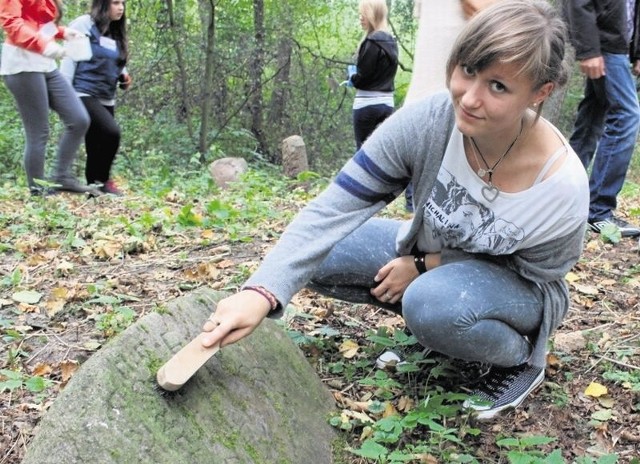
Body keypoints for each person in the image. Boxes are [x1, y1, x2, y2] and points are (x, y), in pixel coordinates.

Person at [200, 0, 589, 421]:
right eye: (468, 70)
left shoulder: (560, 185)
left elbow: (538, 275)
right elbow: (334, 208)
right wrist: (262, 291)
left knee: (432, 302)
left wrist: (425, 265)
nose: (470, 98)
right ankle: (439, 326)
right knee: (319, 253)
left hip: (522, 289)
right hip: (430, 262)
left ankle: (516, 360)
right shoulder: (429, 123)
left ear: (539, 92)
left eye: (498, 86)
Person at [0, 0, 95, 196]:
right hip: (22, 64)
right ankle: (38, 189)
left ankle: (61, 177)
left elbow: (39, 23)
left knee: (79, 119)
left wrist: (62, 32)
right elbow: (12, 24)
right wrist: (43, 44)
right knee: (39, 132)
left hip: (45, 63)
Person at [562, 0, 640, 238]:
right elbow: (578, 3)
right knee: (627, 116)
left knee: (593, 117)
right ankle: (598, 210)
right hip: (602, 45)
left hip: (616, 47)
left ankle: (560, 193)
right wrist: (589, 50)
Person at [60, 0, 130, 196]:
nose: (121, 7)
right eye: (116, 2)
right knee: (111, 133)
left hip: (107, 96)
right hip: (82, 92)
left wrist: (124, 74)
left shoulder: (116, 30)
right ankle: (104, 181)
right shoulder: (84, 24)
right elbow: (69, 58)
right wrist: (63, 94)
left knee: (96, 142)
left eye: (123, 3)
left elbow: (117, 59)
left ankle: (94, 187)